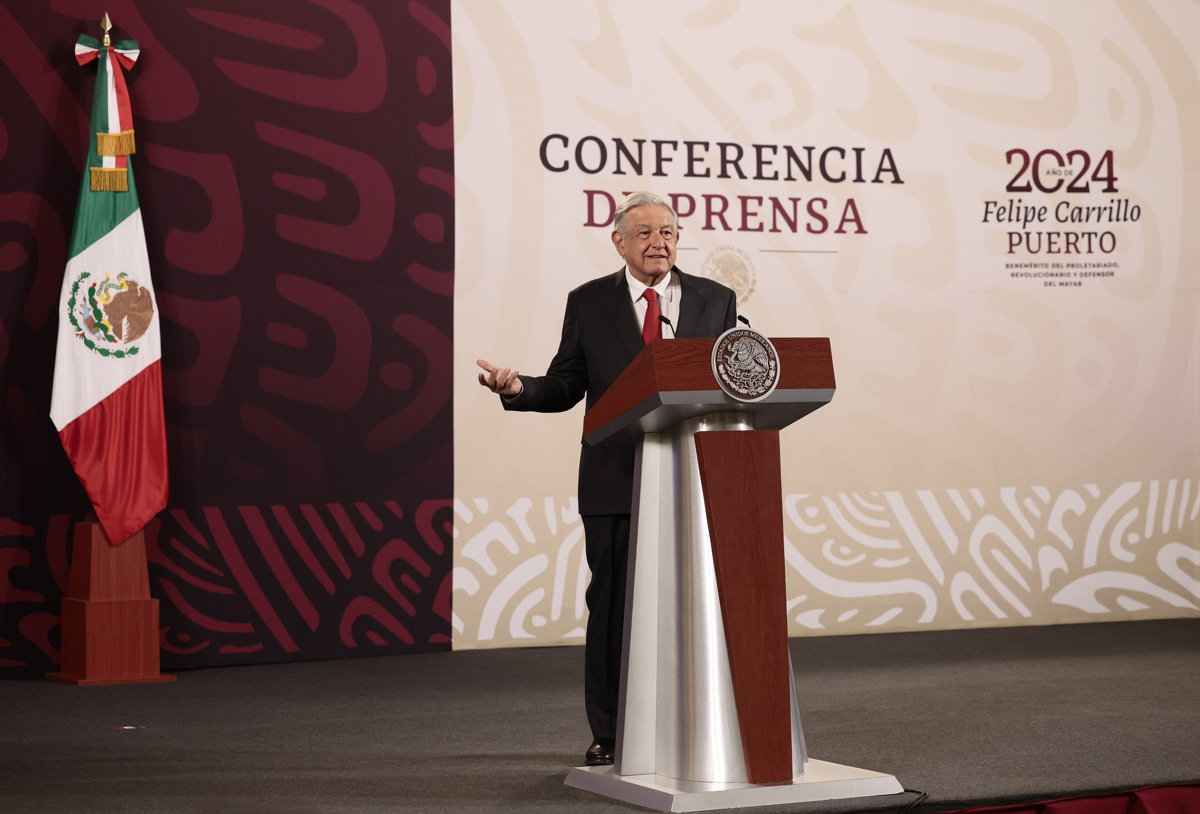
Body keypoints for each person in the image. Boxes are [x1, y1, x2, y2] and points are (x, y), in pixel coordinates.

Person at [477, 192, 738, 766]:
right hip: (616, 479)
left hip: (694, 480)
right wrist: (519, 388)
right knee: (616, 608)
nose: (658, 242)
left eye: (668, 232)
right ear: (618, 241)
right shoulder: (589, 302)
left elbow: (729, 378)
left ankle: (694, 725)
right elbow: (568, 384)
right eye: (644, 233)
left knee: (696, 607)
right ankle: (612, 734)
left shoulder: (716, 300)